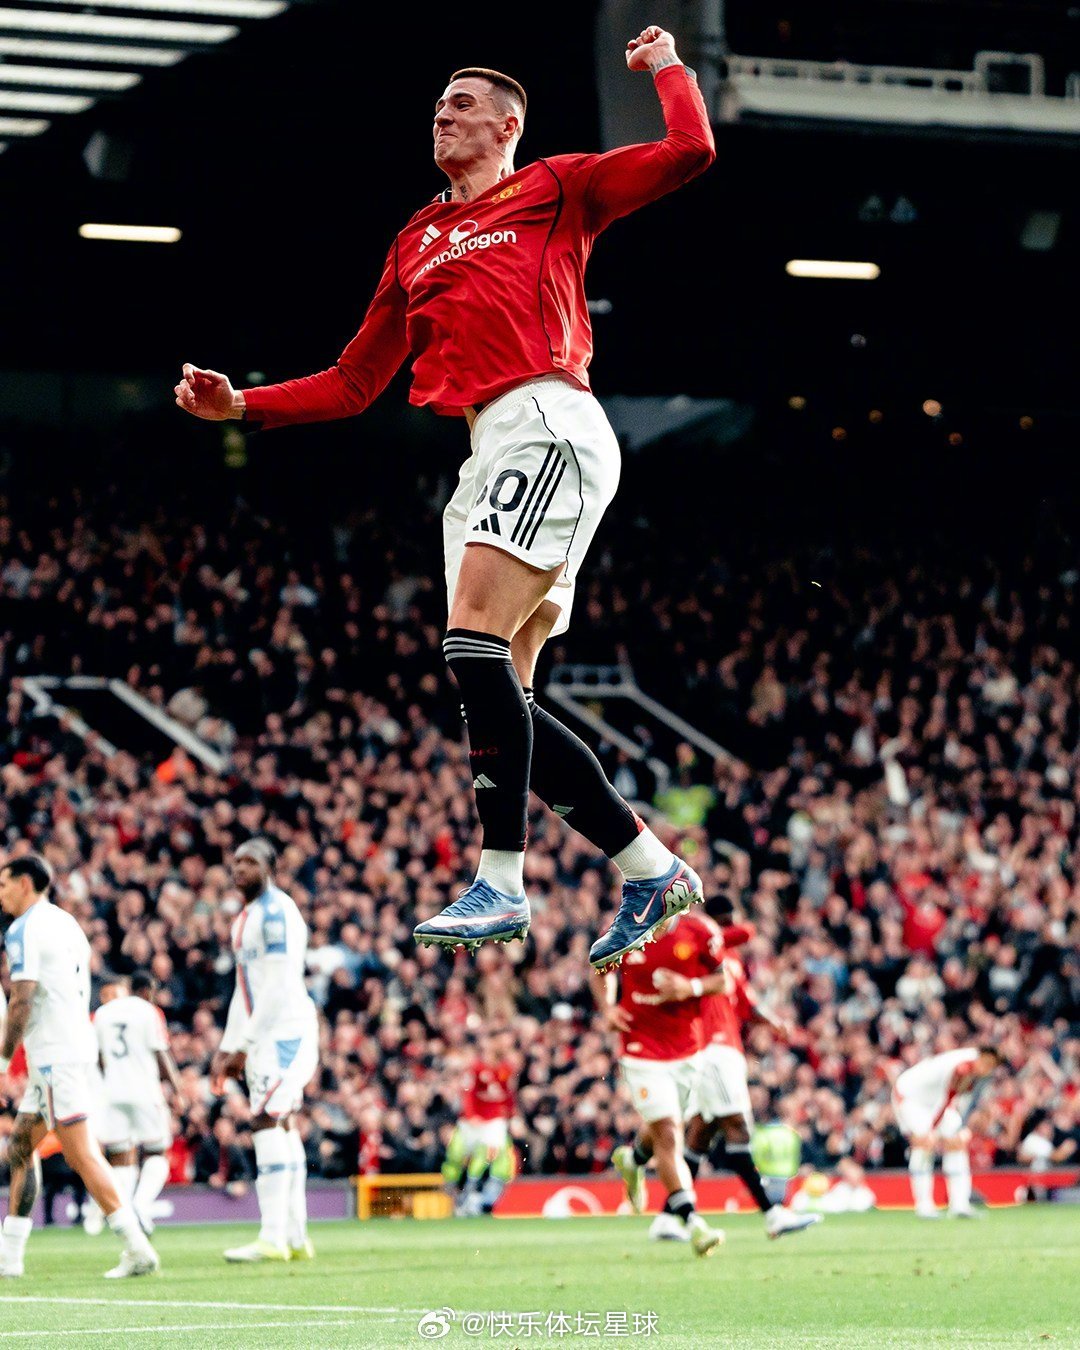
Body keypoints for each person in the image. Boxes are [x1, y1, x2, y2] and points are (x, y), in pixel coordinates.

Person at [174, 24, 716, 971]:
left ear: (508, 126)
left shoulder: (554, 186)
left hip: (546, 417)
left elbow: (689, 152)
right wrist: (241, 406)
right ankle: (649, 867)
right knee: (503, 695)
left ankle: (500, 881)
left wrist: (667, 64)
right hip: (485, 450)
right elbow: (353, 382)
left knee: (471, 646)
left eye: (462, 105)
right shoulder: (415, 241)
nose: (442, 116)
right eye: (437, 106)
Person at [0, 853, 159, 1279]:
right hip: (68, 1048)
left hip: (56, 1055)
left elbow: (22, 997)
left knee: (81, 1153)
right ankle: (9, 1256)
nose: (0, 893)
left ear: (25, 883)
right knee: (21, 1146)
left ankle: (136, 1246)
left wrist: (3, 1057)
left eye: (4, 884)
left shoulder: (23, 928)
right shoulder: (67, 922)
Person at [649, 922, 821, 1241]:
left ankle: (667, 1218)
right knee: (737, 1126)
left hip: (718, 1049)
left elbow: (746, 1003)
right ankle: (772, 1213)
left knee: (701, 1134)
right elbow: (747, 931)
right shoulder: (699, 953)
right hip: (711, 1049)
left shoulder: (731, 961)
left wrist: (774, 1023)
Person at [211, 839, 319, 1262]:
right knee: (282, 1124)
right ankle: (295, 1237)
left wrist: (244, 1045)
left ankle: (273, 1238)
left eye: (250, 862)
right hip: (266, 1034)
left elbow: (277, 984)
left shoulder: (278, 912)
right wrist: (226, 1046)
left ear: (270, 867)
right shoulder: (246, 917)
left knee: (265, 1120)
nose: (239, 868)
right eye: (236, 862)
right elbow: (246, 990)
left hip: (286, 1032)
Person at [593, 912, 726, 1257]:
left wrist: (689, 988)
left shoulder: (701, 930)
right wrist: (607, 1008)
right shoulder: (624, 927)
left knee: (665, 1126)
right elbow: (599, 968)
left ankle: (634, 1159)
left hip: (687, 1050)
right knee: (668, 1133)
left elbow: (721, 980)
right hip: (640, 1048)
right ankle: (693, 1222)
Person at [85, 970, 185, 1236]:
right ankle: (141, 1205)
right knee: (157, 1151)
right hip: (144, 1091)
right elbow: (160, 1053)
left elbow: (98, 1059)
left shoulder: (102, 1014)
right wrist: (177, 1089)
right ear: (146, 991)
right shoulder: (147, 1011)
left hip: (112, 1093)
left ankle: (126, 1211)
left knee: (120, 1155)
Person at [891, 1045, 1003, 1219]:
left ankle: (959, 1204)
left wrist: (956, 1131)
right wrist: (933, 1130)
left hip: (935, 1101)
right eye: (986, 1064)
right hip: (911, 1098)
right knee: (924, 1144)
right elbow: (948, 1097)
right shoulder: (961, 1067)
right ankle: (924, 1205)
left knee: (957, 1143)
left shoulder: (972, 1065)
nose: (986, 1069)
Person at [442, 1029, 517, 1216]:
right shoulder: (475, 1068)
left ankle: (481, 1198)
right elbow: (467, 1093)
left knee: (493, 1156)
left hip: (494, 1121)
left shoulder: (506, 1069)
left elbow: (508, 1094)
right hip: (472, 1123)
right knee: (457, 1155)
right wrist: (471, 1115)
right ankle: (456, 1191)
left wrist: (511, 1115)